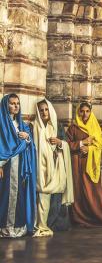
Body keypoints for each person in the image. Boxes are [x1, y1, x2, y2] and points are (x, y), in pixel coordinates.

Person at [33, 99, 74, 237]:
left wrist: (60, 143)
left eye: (46, 109)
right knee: (40, 196)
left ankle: (54, 224)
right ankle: (41, 224)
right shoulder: (34, 127)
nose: (44, 112)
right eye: (41, 110)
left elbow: (65, 144)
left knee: (56, 198)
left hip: (56, 167)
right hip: (40, 168)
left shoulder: (57, 126)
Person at [66, 102, 102, 227]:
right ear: (78, 112)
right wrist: (81, 143)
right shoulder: (73, 128)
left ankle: (96, 216)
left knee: (93, 192)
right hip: (77, 164)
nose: (84, 114)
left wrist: (89, 149)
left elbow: (100, 145)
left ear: (91, 112)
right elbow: (66, 145)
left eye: (87, 111)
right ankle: (79, 218)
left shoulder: (95, 126)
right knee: (78, 191)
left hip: (91, 165)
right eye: (82, 111)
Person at [0, 94, 36, 238]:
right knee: (4, 195)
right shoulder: (1, 124)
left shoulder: (22, 124)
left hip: (20, 165)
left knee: (18, 195)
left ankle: (17, 226)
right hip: (6, 166)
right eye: (12, 103)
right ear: (5, 105)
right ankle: (4, 227)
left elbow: (30, 144)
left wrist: (27, 138)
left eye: (17, 104)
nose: (15, 106)